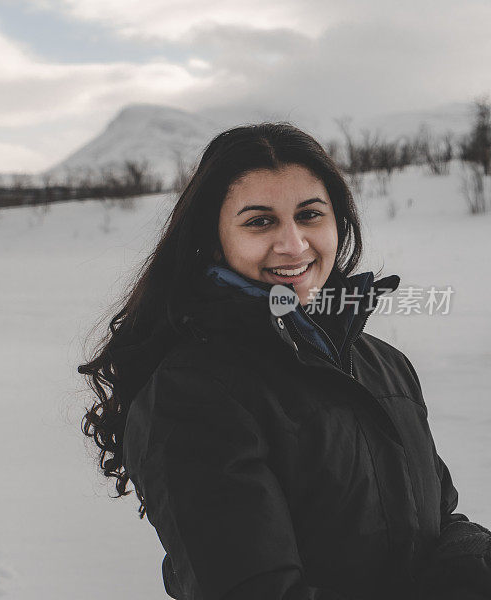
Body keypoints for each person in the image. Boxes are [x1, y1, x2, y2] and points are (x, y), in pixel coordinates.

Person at [77, 123, 491, 600]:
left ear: (339, 223)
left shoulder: (385, 365)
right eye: (259, 221)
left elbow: (439, 522)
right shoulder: (192, 391)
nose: (293, 245)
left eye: (310, 215)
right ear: (214, 240)